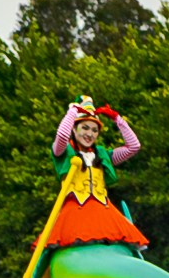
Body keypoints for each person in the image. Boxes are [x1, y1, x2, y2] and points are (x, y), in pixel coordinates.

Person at [47, 96, 148, 251]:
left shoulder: (102, 155)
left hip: (104, 211)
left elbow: (134, 146)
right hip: (75, 211)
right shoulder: (64, 151)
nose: (90, 134)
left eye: (94, 130)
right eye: (85, 128)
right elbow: (61, 136)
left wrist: (117, 118)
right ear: (74, 129)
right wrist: (72, 112)